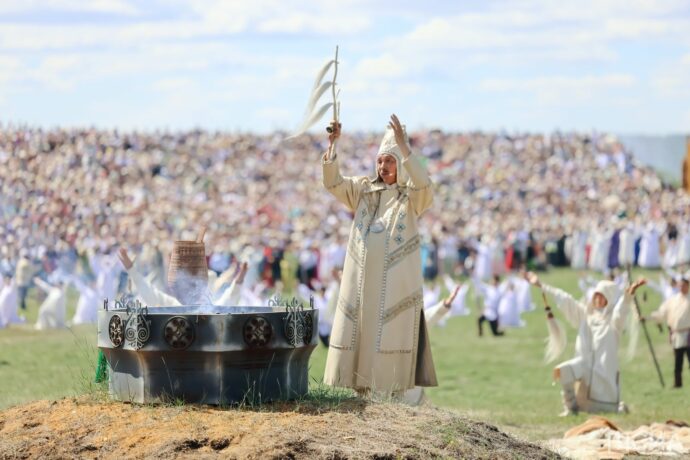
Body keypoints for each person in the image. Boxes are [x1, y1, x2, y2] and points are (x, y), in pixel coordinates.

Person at [322, 114, 437, 396]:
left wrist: (405, 148)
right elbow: (333, 182)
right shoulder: (363, 190)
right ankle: (361, 390)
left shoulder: (411, 197)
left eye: (390, 161)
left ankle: (392, 395)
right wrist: (333, 145)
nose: (383, 166)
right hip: (362, 286)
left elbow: (425, 185)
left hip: (394, 289)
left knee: (389, 339)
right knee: (362, 335)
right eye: (380, 160)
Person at [526, 271, 645, 416]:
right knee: (563, 370)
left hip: (603, 374)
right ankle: (571, 408)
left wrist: (627, 296)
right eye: (596, 295)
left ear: (609, 298)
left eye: (602, 296)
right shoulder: (585, 315)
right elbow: (565, 299)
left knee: (605, 408)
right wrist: (541, 285)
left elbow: (621, 312)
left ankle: (617, 407)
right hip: (584, 365)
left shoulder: (613, 322)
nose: (598, 299)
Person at [644, 277, 690, 388]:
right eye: (679, 285)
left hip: (689, 335)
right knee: (677, 362)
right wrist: (648, 318)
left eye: (683, 285)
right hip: (677, 335)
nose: (681, 287)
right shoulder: (673, 300)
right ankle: (677, 383)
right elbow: (661, 313)